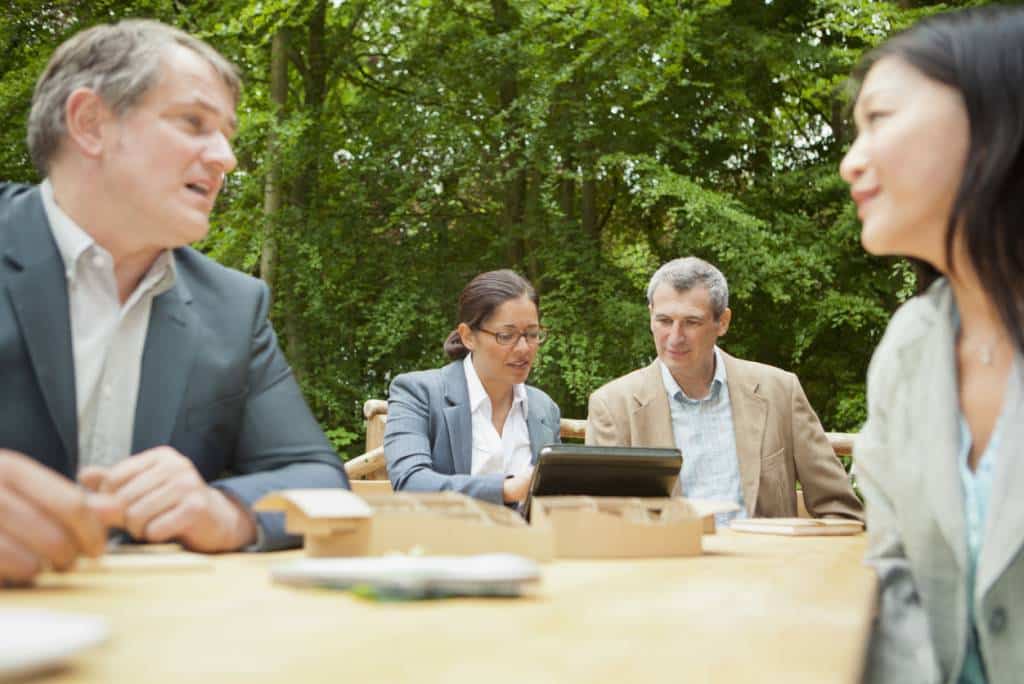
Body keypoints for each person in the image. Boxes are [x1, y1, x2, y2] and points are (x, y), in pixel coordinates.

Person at [0, 19, 348, 584]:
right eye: (193, 123)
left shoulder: (236, 308)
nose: (227, 158)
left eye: (227, 133)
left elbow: (319, 478)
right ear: (90, 124)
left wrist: (226, 511)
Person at [840, 6, 1024, 682]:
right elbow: (895, 576)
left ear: (995, 112)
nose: (849, 162)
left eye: (879, 120)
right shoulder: (908, 346)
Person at [586, 257, 862, 522]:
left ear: (723, 322)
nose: (675, 336)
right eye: (664, 321)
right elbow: (605, 525)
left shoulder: (779, 391)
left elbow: (840, 509)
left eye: (692, 322)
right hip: (665, 567)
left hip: (766, 566)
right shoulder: (613, 406)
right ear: (650, 316)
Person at [384, 270, 561, 506]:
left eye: (532, 334)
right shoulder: (419, 392)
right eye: (506, 336)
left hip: (530, 541)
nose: (523, 348)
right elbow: (410, 481)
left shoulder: (544, 408)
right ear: (468, 336)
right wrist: (505, 489)